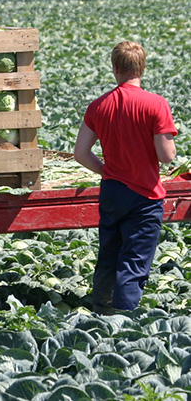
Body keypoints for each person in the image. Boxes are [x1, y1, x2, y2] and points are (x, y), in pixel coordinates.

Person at [74, 41, 177, 314]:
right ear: (141, 68)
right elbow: (166, 156)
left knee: (108, 253)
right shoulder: (156, 104)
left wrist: (105, 171)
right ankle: (123, 319)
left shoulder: (99, 106)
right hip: (145, 195)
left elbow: (81, 153)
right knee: (134, 259)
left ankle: (101, 310)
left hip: (112, 192)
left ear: (115, 68)